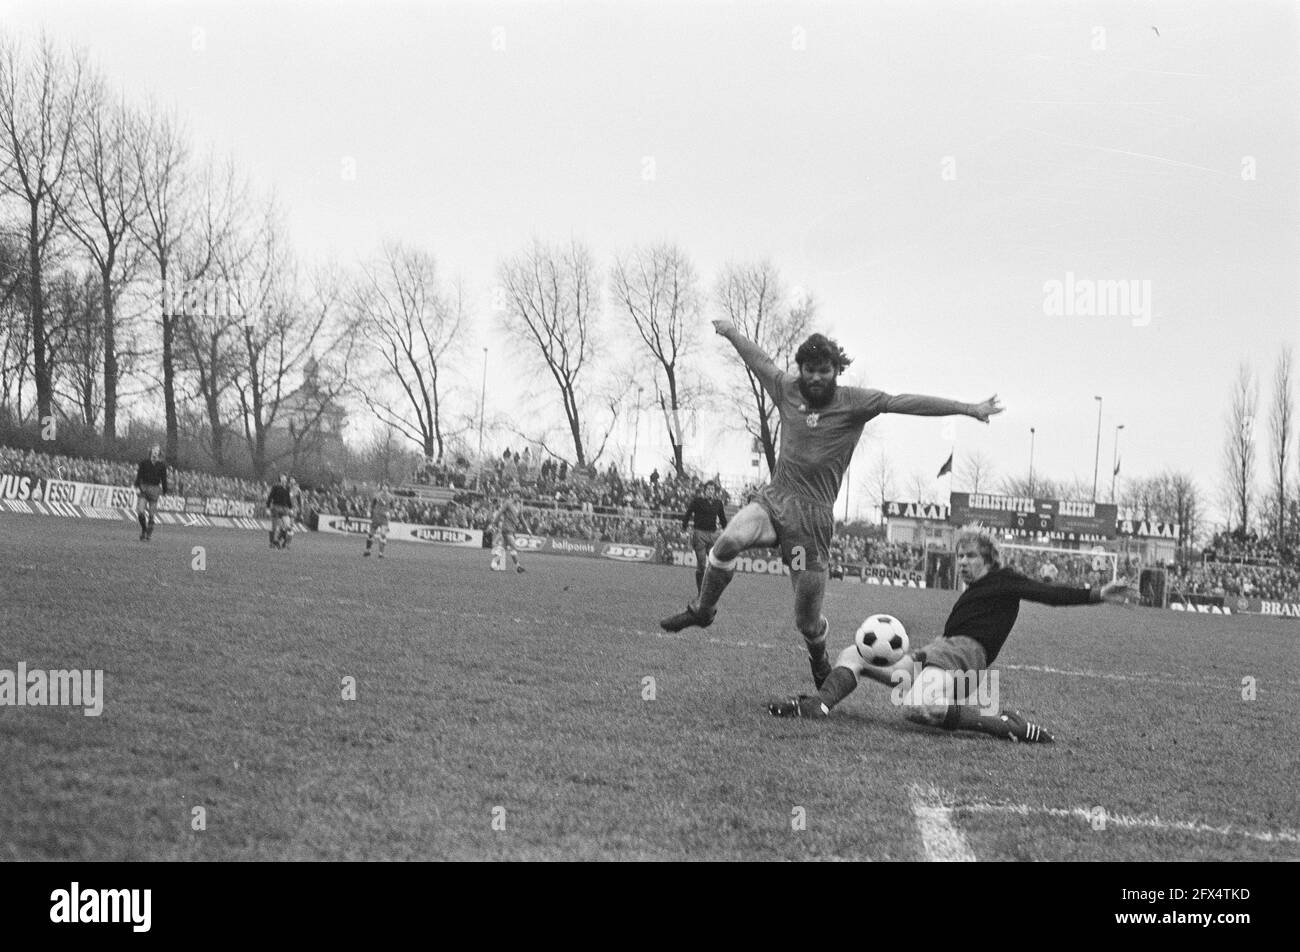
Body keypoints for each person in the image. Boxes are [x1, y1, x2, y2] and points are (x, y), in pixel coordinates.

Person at [660, 320, 1003, 693]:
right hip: (776, 497)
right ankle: (703, 611)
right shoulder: (785, 388)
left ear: (836, 371)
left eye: (825, 370)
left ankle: (818, 656)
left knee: (806, 622)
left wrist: (966, 408)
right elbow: (756, 358)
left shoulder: (855, 403)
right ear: (801, 370)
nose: (817, 377)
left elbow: (903, 402)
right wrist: (730, 332)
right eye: (810, 370)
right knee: (727, 542)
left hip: (813, 519)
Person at [768, 527, 1134, 742]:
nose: (962, 562)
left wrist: (1096, 594)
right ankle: (820, 704)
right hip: (936, 654)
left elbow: (1048, 594)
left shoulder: (1004, 580)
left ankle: (1004, 724)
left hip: (963, 659)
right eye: (959, 557)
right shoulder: (972, 590)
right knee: (854, 655)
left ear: (989, 557)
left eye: (970, 556)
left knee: (916, 708)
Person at [681, 482, 729, 594]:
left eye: (712, 489)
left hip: (712, 535)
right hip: (699, 534)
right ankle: (700, 592)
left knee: (715, 563)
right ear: (705, 490)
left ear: (714, 491)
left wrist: (727, 531)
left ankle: (710, 588)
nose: (710, 491)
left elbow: (722, 519)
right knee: (702, 564)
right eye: (708, 489)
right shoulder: (697, 501)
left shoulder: (718, 503)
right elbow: (688, 513)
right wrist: (684, 527)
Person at [133, 444, 168, 541]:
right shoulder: (144, 463)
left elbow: (164, 479)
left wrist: (165, 491)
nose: (156, 451)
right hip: (144, 488)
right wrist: (137, 486)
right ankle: (144, 530)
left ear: (159, 453)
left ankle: (149, 531)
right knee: (140, 511)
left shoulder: (162, 465)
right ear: (151, 451)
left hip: (155, 490)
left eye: (158, 450)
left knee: (152, 514)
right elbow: (139, 476)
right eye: (154, 449)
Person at [490, 494, 526, 574]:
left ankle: (494, 563)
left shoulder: (519, 505)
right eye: (516, 494)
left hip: (512, 529)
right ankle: (518, 567)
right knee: (514, 546)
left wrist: (527, 528)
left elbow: (521, 517)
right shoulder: (508, 503)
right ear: (513, 495)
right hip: (506, 528)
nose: (518, 496)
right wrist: (494, 523)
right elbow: (500, 512)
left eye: (519, 494)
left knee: (503, 547)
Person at [363, 483, 393, 558]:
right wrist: (369, 511)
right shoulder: (377, 495)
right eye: (383, 486)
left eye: (386, 486)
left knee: (383, 535)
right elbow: (372, 504)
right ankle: (368, 550)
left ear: (388, 488)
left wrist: (390, 513)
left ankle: (381, 553)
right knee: (371, 534)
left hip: (384, 518)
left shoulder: (391, 497)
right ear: (382, 487)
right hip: (376, 516)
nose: (385, 487)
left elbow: (392, 507)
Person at [266, 475, 294, 549]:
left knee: (288, 527)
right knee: (275, 527)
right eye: (282, 478)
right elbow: (270, 497)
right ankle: (272, 543)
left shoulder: (287, 488)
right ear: (280, 480)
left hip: (285, 509)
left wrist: (291, 509)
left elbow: (288, 499)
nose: (284, 479)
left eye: (285, 478)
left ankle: (286, 543)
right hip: (276, 507)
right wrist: (268, 508)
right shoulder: (275, 487)